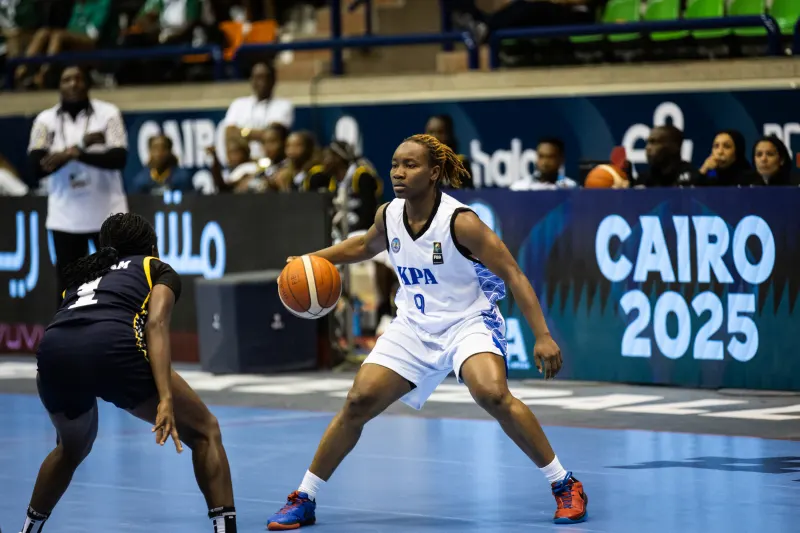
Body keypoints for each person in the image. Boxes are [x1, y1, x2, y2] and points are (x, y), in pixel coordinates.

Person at [266, 134, 587, 530]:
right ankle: (304, 497)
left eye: (410, 165)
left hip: (468, 322)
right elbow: (363, 246)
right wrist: (311, 259)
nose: (398, 173)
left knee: (492, 394)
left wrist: (542, 335)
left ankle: (564, 483)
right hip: (414, 326)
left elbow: (514, 274)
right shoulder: (388, 214)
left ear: (434, 173)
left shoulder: (461, 222)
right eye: (395, 164)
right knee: (358, 401)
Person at [19, 213, 238, 533]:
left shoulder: (83, 276)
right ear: (152, 247)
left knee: (70, 448)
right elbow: (156, 324)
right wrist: (165, 398)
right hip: (114, 350)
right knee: (205, 431)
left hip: (53, 354)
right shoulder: (154, 267)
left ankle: (28, 529)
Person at [27, 65, 129, 304]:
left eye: (78, 79)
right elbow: (36, 167)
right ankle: (70, 329)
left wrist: (75, 155)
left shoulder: (108, 114)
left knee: (118, 283)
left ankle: (122, 327)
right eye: (67, 80)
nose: (73, 84)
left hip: (108, 213)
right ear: (59, 86)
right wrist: (78, 148)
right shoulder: (45, 120)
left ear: (88, 84)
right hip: (66, 217)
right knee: (69, 290)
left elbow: (118, 158)